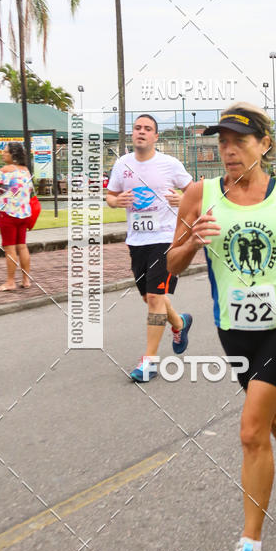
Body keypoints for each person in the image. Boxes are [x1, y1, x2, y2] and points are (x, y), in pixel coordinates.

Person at [167, 103, 276, 551]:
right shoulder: (200, 194)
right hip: (233, 329)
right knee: (274, 415)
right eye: (222, 142)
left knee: (252, 428)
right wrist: (192, 242)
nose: (229, 150)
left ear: (265, 144)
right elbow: (171, 265)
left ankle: (250, 548)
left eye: (239, 140)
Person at [106, 114, 193, 382]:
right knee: (150, 298)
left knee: (155, 298)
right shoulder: (122, 164)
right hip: (137, 241)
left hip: (166, 239)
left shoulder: (169, 164)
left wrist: (182, 199)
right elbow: (110, 196)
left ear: (156, 136)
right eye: (137, 128)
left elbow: (194, 193)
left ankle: (149, 362)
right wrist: (116, 201)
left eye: (147, 129)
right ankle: (179, 323)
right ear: (132, 134)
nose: (141, 132)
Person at [0, 142, 33, 291]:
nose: (3, 154)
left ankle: (10, 282)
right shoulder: (26, 171)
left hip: (8, 214)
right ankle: (26, 280)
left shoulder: (4, 171)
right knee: (22, 246)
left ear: (13, 155)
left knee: (9, 248)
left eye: (6, 152)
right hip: (24, 214)